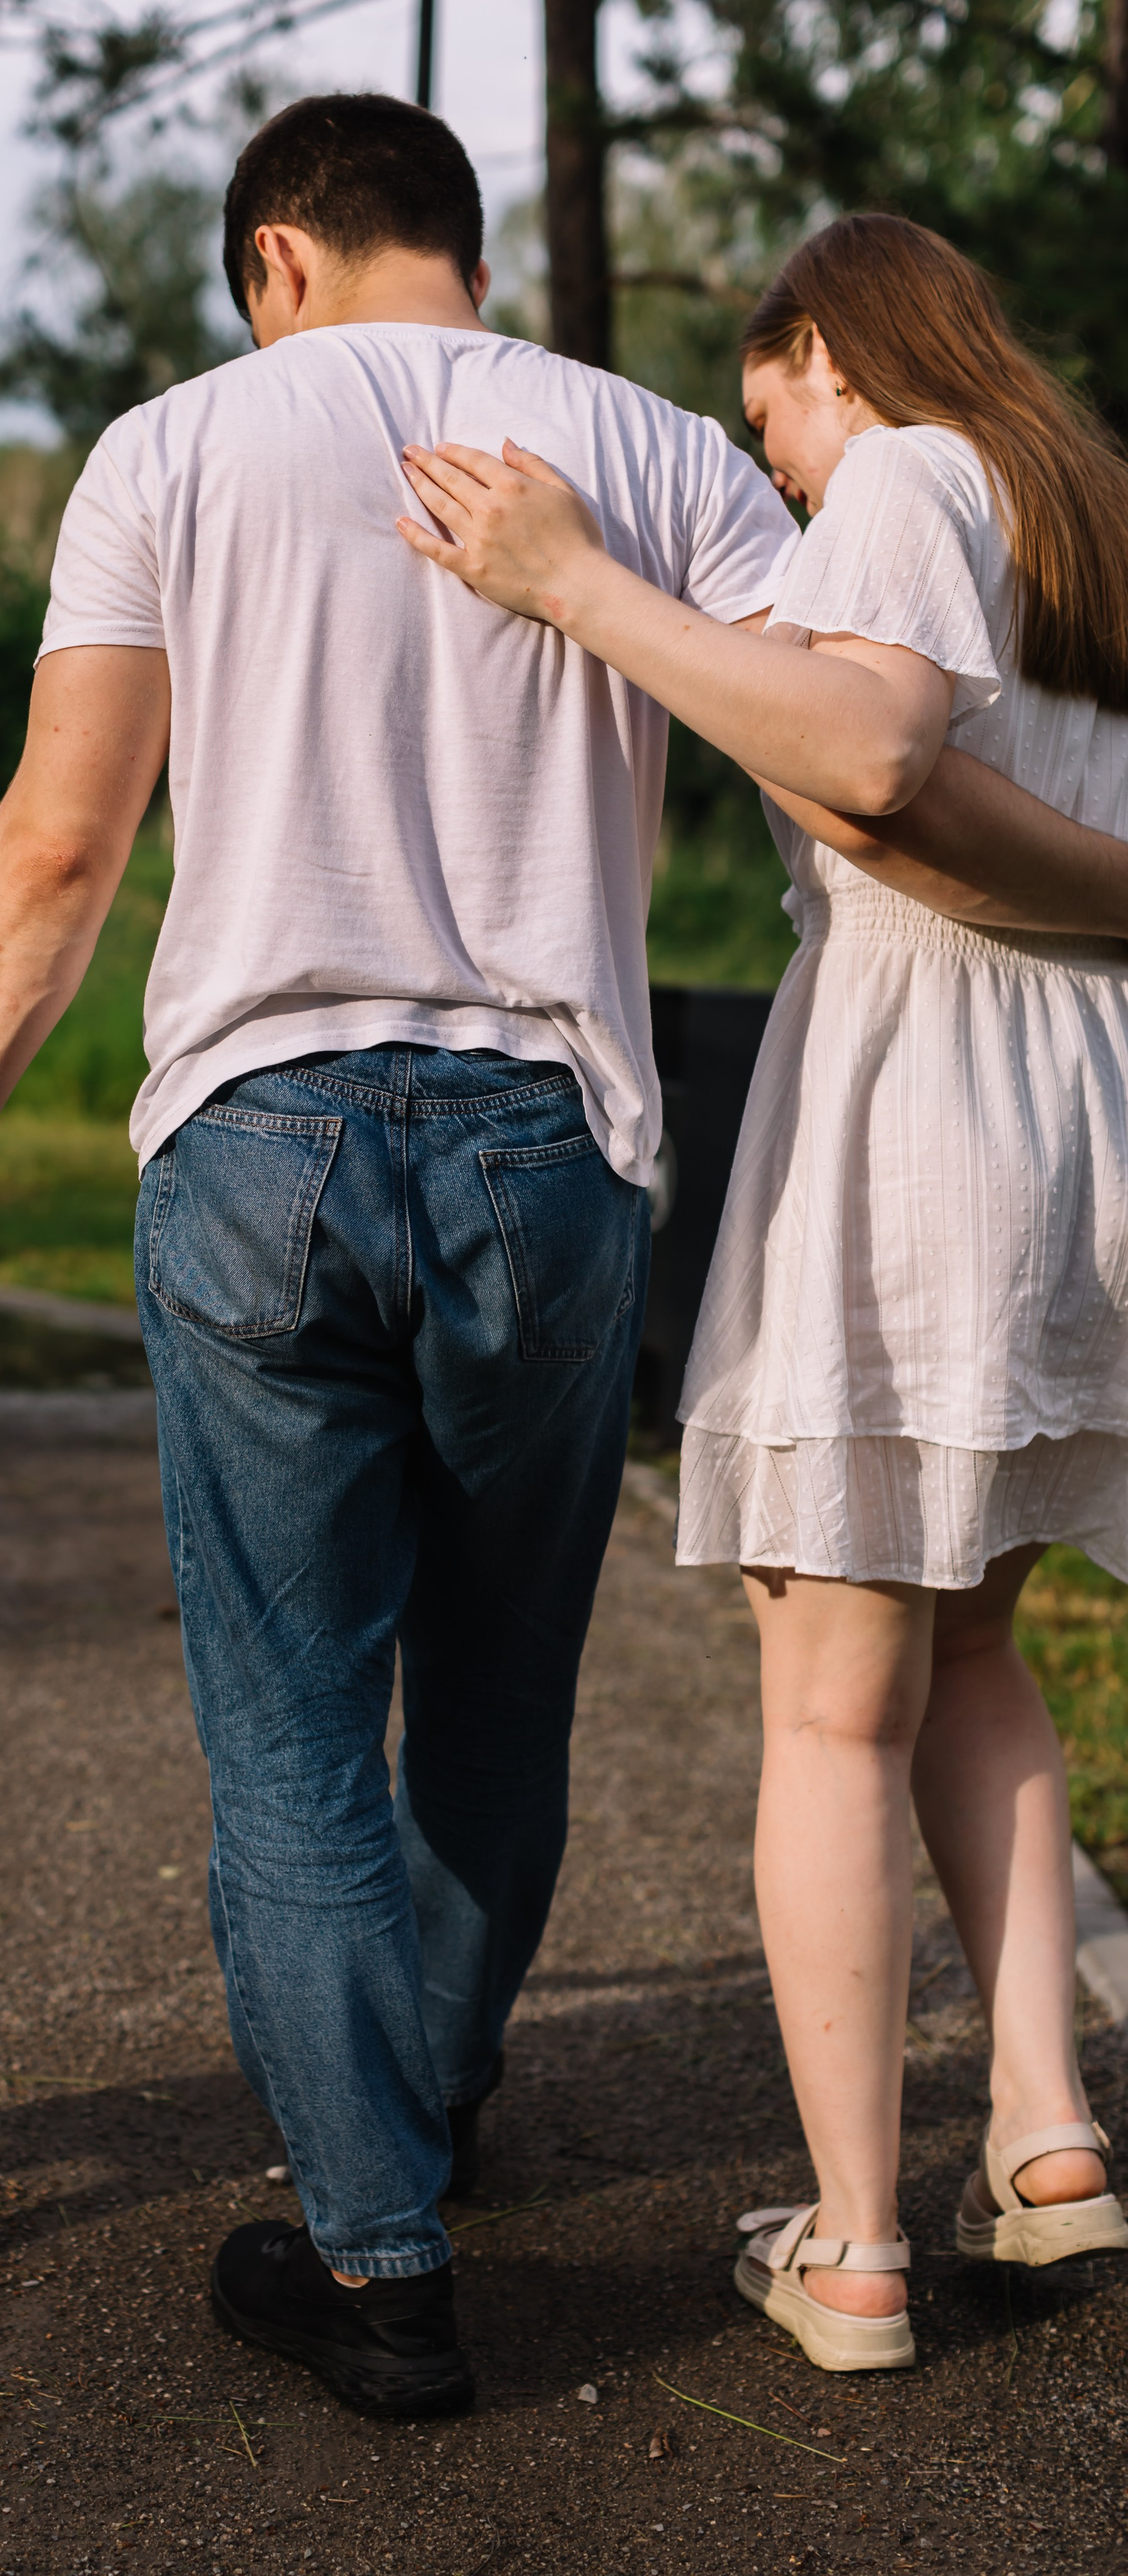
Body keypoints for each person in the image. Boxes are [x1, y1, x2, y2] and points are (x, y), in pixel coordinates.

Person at [0, 91, 795, 2418]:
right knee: (490, 1689)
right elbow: (852, 755)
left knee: (291, 1725)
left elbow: (63, 856)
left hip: (262, 1142)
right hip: (552, 1149)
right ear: (449, 246)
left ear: (278, 257)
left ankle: (378, 2259)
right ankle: (430, 2101)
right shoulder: (660, 452)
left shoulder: (169, 450)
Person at [397, 211, 1128, 2374]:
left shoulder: (905, 468)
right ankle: (1049, 2138)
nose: (788, 482)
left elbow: (876, 765)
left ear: (824, 348)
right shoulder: (1082, 513)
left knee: (830, 1693)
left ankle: (854, 2243)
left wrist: (578, 587)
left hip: (926, 1088)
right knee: (973, 1641)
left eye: (769, 423)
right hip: (1081, 1089)